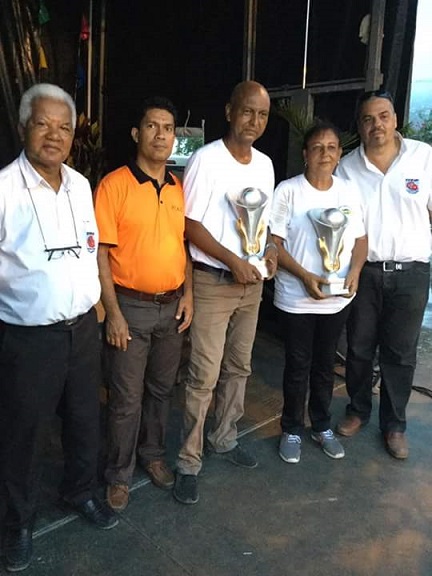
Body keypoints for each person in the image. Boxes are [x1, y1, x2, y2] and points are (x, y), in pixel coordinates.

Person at [0, 84, 117, 573]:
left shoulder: (79, 185)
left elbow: (90, 249)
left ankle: (80, 493)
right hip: (30, 338)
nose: (55, 135)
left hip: (82, 331)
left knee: (84, 419)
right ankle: (16, 524)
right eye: (44, 123)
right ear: (25, 125)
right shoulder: (4, 187)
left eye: (64, 127)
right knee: (23, 434)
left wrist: (100, 305)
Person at [173, 80, 277, 505]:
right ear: (230, 111)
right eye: (248, 112)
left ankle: (224, 437)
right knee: (203, 375)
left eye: (263, 115)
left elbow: (263, 222)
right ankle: (188, 460)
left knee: (239, 367)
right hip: (214, 283)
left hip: (250, 286)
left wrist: (267, 251)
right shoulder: (206, 159)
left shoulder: (266, 164)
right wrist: (231, 261)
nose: (255, 121)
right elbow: (189, 224)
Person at [94, 97, 193, 512]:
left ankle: (151, 456)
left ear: (174, 138)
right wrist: (112, 313)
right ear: (137, 133)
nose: (160, 135)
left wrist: (188, 294)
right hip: (129, 308)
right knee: (125, 398)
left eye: (167, 128)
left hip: (171, 308)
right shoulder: (114, 185)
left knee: (160, 390)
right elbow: (99, 253)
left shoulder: (178, 187)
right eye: (152, 126)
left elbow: (184, 245)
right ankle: (118, 475)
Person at [336, 90, 432, 459]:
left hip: (411, 274)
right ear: (359, 125)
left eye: (384, 116)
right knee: (358, 348)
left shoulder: (422, 158)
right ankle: (358, 410)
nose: (377, 125)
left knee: (401, 353)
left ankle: (394, 425)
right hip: (365, 271)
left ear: (395, 118)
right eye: (368, 119)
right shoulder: (346, 167)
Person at [270, 121, 367, 464]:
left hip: (337, 298)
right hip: (297, 296)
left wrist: (354, 271)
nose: (324, 153)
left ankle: (321, 425)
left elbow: (360, 240)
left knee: (325, 365)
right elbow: (273, 244)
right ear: (304, 154)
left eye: (331, 147)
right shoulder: (288, 190)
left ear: (339, 154)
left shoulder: (348, 192)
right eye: (317, 147)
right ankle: (292, 428)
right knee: (298, 364)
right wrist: (305, 275)